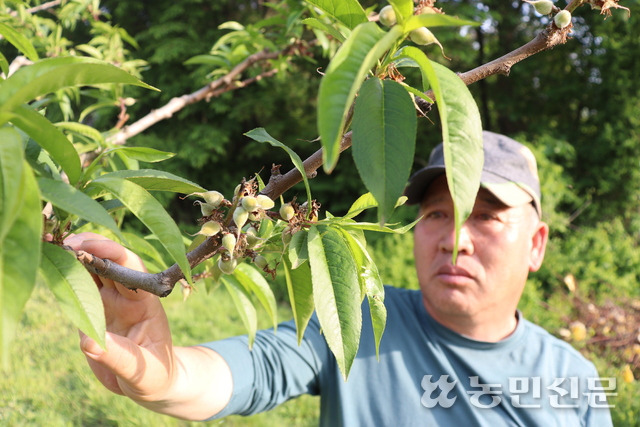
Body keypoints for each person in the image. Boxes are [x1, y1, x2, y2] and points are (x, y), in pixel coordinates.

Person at [67, 131, 614, 426]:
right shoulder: (354, 321)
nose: (455, 239)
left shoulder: (574, 381)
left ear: (537, 243)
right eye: (437, 214)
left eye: (486, 216)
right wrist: (165, 374)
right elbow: (259, 366)